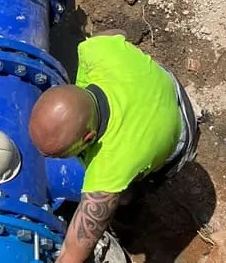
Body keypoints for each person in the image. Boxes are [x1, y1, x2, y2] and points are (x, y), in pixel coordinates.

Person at [28, 29, 200, 263]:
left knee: (127, 196)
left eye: (58, 155)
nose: (48, 159)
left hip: (181, 134)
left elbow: (73, 252)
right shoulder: (95, 50)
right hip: (163, 86)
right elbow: (117, 33)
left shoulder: (110, 165)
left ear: (88, 138)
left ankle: (132, 206)